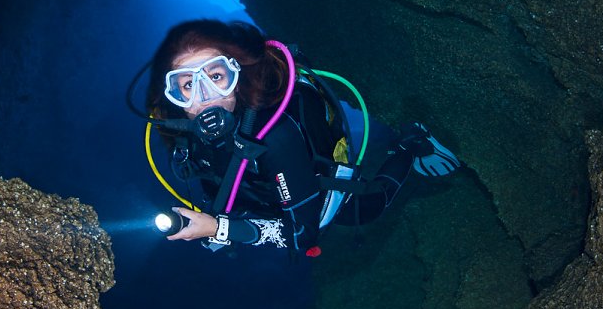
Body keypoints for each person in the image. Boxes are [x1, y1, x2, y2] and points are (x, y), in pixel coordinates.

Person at [145, 19, 458, 256]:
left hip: (309, 185)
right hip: (261, 198)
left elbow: (302, 237)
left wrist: (218, 229)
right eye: (186, 85)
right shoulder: (182, 132)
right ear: (172, 95)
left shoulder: (276, 136)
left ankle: (408, 144)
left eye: (215, 77)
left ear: (236, 75)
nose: (205, 98)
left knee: (367, 208)